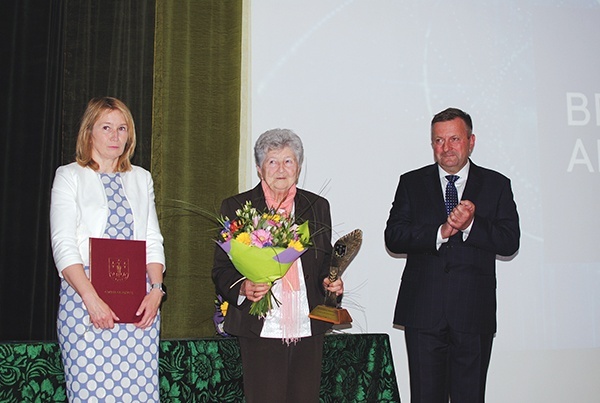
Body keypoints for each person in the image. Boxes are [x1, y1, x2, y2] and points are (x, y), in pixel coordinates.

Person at [385, 107, 520, 403]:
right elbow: (393, 237)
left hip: (474, 313)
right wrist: (440, 232)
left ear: (471, 141)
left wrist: (472, 225)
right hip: (423, 313)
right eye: (438, 141)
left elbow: (510, 241)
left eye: (454, 139)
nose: (446, 148)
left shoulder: (496, 185)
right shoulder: (411, 182)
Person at [212, 128, 343, 403]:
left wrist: (330, 282)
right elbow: (221, 270)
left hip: (308, 325)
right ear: (260, 169)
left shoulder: (317, 206)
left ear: (298, 166)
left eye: (289, 161)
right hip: (260, 325)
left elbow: (324, 262)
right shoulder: (236, 206)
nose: (281, 169)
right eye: (272, 161)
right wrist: (244, 288)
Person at [50, 97, 166, 402]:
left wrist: (156, 291)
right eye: (106, 127)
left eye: (122, 128)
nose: (115, 136)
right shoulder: (69, 176)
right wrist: (91, 299)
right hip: (84, 301)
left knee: (139, 394)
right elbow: (63, 244)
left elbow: (152, 240)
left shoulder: (141, 178)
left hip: (138, 306)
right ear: (89, 132)